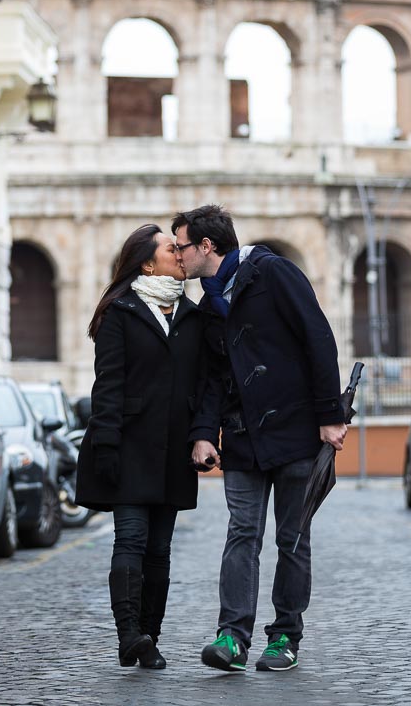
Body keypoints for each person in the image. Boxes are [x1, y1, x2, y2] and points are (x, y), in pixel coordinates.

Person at [171, 204, 346, 673]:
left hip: (296, 431)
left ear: (206, 246)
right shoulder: (210, 305)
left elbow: (318, 338)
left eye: (181, 245)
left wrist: (331, 414)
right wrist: (205, 434)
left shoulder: (273, 273)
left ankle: (285, 636)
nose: (177, 255)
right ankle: (232, 637)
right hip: (243, 439)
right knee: (241, 534)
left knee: (291, 538)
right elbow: (211, 379)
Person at [75, 224, 205, 670]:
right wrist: (106, 446)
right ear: (148, 262)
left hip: (174, 451)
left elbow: (203, 385)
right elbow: (108, 386)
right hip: (129, 446)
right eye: (172, 249)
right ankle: (128, 633)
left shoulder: (193, 315)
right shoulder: (121, 312)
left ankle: (150, 636)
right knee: (130, 539)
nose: (181, 253)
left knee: (160, 550)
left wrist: (202, 433)